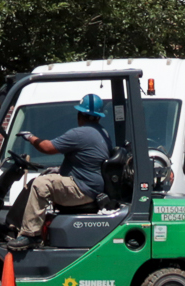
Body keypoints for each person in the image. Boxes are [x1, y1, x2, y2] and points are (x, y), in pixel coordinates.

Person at [9, 94, 111, 249]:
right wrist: (58, 169)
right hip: (87, 186)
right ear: (98, 117)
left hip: (82, 189)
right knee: (40, 179)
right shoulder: (101, 132)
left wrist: (30, 137)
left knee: (41, 184)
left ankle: (31, 235)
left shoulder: (81, 134)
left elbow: (47, 147)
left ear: (80, 115)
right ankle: (13, 226)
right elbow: (84, 162)